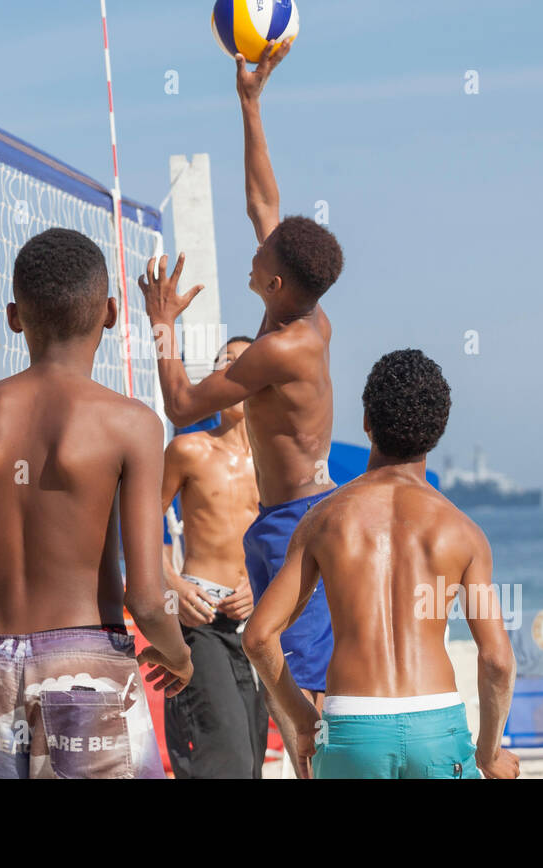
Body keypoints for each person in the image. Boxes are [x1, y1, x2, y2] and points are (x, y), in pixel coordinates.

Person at [0, 227, 192, 779]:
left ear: (13, 316)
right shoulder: (131, 423)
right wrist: (177, 653)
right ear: (112, 312)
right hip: (88, 667)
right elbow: (145, 597)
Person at [138, 38, 342, 769]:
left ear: (278, 283)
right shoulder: (300, 315)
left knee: (307, 707)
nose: (254, 254)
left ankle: (310, 744)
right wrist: (250, 105)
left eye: (262, 260)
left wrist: (161, 322)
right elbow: (265, 204)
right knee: (282, 701)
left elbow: (182, 398)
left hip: (297, 521)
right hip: (286, 521)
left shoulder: (279, 350)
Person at [244, 350, 519, 779]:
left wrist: (302, 720)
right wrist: (488, 753)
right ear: (438, 432)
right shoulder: (463, 532)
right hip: (437, 725)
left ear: (367, 421)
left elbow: (260, 637)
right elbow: (498, 660)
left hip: (352, 727)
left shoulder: (323, 520)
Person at [161, 336, 268, 779]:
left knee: (254, 753)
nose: (234, 372)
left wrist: (261, 592)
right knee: (227, 759)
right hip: (200, 615)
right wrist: (172, 584)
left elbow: (292, 546)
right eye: (225, 364)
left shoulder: (276, 463)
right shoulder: (189, 450)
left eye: (246, 364)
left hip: (257, 625)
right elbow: (141, 528)